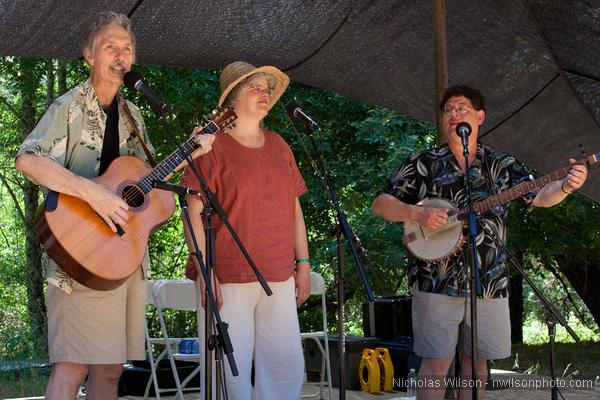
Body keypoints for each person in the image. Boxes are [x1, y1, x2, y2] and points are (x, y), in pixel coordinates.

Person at [15, 11, 214, 400]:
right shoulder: (68, 106)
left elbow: (150, 185)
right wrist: (94, 194)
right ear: (90, 56)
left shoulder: (133, 114)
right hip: (79, 253)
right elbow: (28, 161)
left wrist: (190, 152)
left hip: (124, 259)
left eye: (127, 49)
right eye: (111, 47)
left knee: (108, 372)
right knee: (72, 367)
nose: (120, 55)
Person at [371, 85, 588, 400]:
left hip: (489, 281)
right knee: (436, 363)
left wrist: (566, 186)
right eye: (448, 110)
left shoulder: (501, 164)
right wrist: (416, 213)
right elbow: (381, 203)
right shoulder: (424, 162)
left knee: (477, 364)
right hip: (434, 281)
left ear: (480, 117)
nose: (454, 114)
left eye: (462, 108)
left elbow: (540, 195)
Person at [181, 60, 310, 399]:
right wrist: (206, 272)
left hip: (279, 276)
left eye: (267, 89)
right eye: (254, 88)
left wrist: (304, 265)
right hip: (227, 278)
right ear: (232, 100)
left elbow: (294, 209)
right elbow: (191, 213)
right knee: (229, 374)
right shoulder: (209, 147)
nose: (263, 93)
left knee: (285, 370)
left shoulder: (281, 146)